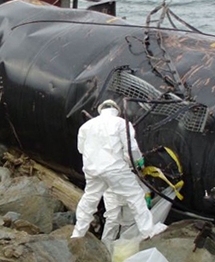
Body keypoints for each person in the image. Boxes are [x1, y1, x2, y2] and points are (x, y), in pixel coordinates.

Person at [71, 99, 167, 242]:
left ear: (100, 110)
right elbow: (131, 148)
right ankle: (148, 231)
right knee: (135, 196)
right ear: (116, 110)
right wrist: (137, 161)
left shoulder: (85, 126)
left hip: (92, 170)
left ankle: (78, 233)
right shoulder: (121, 123)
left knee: (89, 200)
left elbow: (80, 149)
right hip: (115, 169)